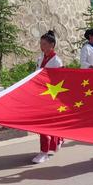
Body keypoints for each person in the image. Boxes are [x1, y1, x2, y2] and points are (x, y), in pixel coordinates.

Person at [32, 30, 64, 164]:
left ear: (52, 45)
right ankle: (55, 142)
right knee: (43, 123)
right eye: (41, 43)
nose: (41, 46)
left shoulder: (57, 61)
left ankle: (44, 151)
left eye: (44, 44)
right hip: (41, 95)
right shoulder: (40, 58)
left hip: (51, 96)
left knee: (45, 123)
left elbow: (60, 80)